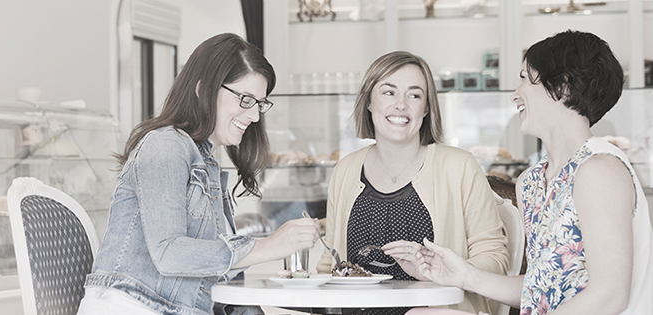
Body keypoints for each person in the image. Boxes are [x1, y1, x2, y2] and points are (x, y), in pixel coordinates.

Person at [406, 30, 653, 315]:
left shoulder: (600, 170)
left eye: (525, 78)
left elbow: (609, 296)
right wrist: (465, 277)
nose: (515, 95)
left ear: (561, 87)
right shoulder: (531, 182)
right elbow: (541, 289)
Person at [77, 33, 321, 315]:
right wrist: (267, 246)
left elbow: (209, 276)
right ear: (203, 89)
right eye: (245, 99)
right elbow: (169, 254)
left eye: (260, 104)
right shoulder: (165, 146)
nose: (254, 116)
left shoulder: (207, 166)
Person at [315, 51, 509, 315]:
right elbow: (330, 263)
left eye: (414, 95)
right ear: (369, 102)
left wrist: (443, 271)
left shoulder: (459, 166)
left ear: (426, 108)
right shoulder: (346, 170)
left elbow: (495, 259)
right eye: (388, 92)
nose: (401, 105)